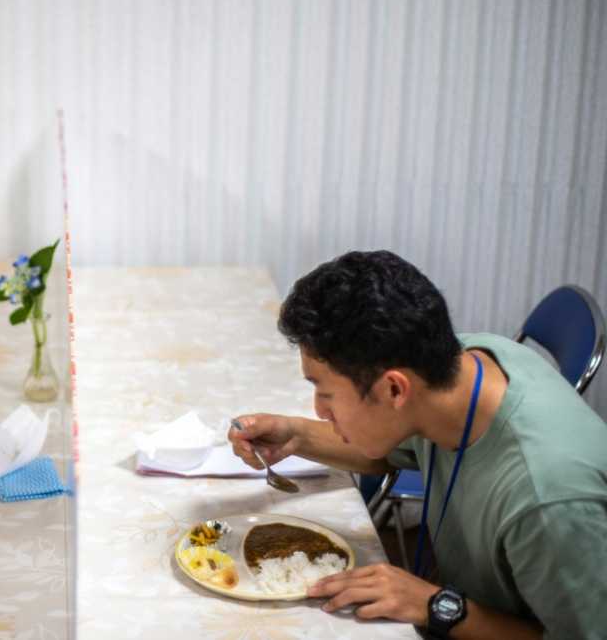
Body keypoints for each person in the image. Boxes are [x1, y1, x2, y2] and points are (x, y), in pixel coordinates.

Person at [229, 251, 607, 639]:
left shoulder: (549, 501)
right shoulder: (457, 367)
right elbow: (389, 446)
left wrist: (437, 607)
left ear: (394, 388)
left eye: (325, 394)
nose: (319, 410)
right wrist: (296, 435)